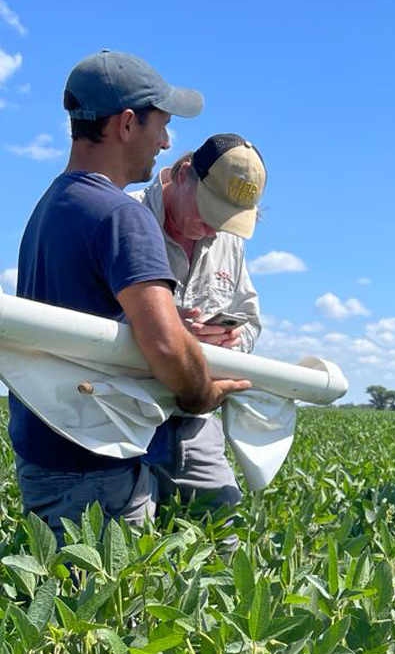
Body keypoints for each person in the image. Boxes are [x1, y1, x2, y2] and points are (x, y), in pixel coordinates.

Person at [7, 50, 250, 535]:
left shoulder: (52, 205)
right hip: (97, 462)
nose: (164, 142)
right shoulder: (122, 214)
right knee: (115, 606)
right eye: (160, 125)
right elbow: (162, 343)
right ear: (125, 124)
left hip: (44, 451)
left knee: (58, 604)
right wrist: (201, 393)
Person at [130, 134, 265, 508]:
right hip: (127, 409)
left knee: (224, 529)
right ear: (185, 173)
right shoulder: (126, 216)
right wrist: (166, 331)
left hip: (196, 418)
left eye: (226, 220)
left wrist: (232, 338)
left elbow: (251, 322)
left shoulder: (229, 242)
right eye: (208, 210)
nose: (212, 227)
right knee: (127, 544)